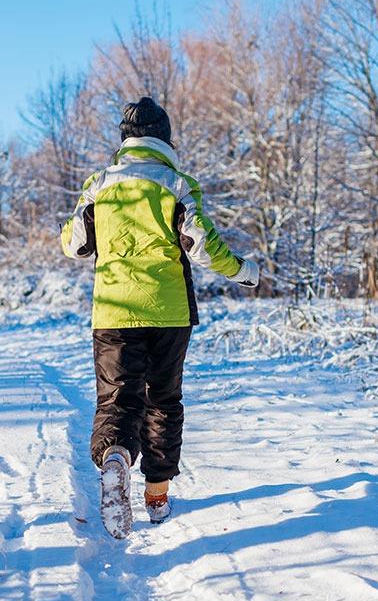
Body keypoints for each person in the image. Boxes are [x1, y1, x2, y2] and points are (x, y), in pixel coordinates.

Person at [60, 96, 259, 537]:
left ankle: (115, 457)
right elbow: (202, 247)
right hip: (169, 313)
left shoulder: (99, 184)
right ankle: (156, 495)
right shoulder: (177, 184)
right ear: (165, 139)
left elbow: (75, 245)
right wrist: (243, 271)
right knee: (163, 401)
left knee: (117, 399)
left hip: (113, 313)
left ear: (125, 141)